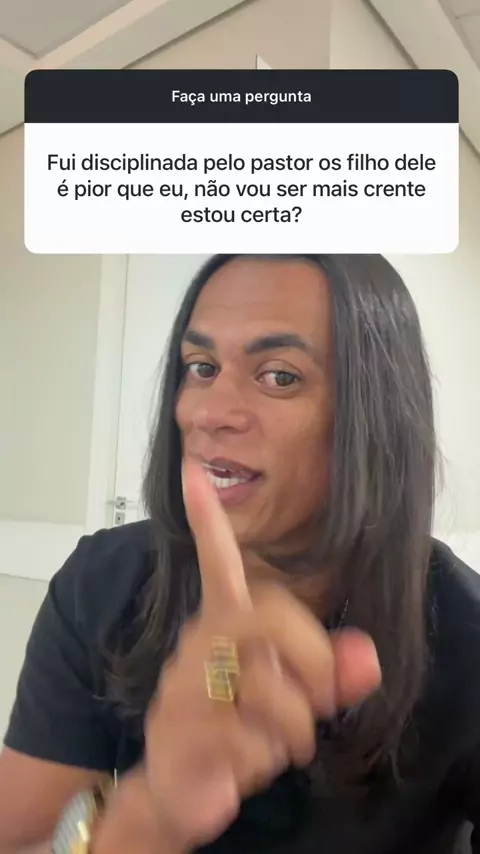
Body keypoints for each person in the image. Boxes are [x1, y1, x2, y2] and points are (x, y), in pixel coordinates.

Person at [0, 254, 479, 854]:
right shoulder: (101, 583)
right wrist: (150, 815)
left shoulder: (466, 631)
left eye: (279, 376)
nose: (206, 413)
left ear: (373, 415)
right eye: (201, 367)